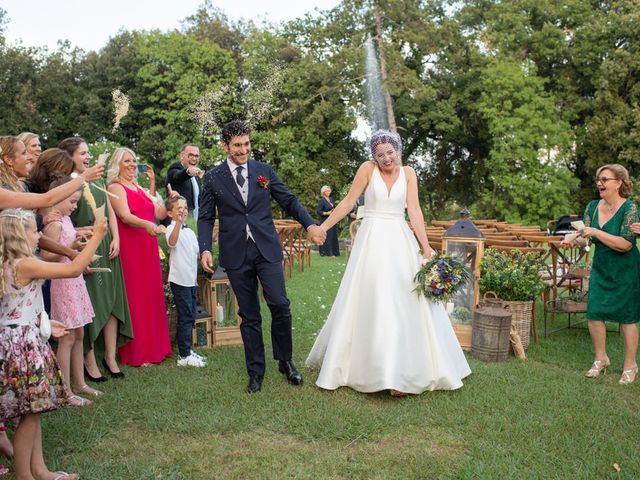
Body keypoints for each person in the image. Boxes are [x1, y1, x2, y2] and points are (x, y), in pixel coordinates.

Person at [305, 130, 471, 396]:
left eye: (390, 152)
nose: (386, 158)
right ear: (374, 155)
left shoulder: (409, 174)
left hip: (400, 241)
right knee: (375, 299)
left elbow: (414, 211)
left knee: (405, 300)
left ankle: (401, 374)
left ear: (398, 150)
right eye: (380, 154)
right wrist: (322, 227)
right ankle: (371, 368)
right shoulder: (367, 169)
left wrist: (426, 246)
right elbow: (349, 202)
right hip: (371, 241)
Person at [198, 119, 326, 393]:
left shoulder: (263, 171)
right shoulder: (213, 177)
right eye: (237, 145)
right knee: (249, 314)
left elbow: (288, 200)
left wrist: (310, 224)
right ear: (225, 146)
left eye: (246, 144)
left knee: (280, 305)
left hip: (267, 249)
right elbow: (206, 217)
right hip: (235, 253)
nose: (243, 150)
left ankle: (285, 361)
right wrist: (205, 248)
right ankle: (255, 372)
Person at [0, 208, 107, 480]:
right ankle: (26, 476)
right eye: (34, 231)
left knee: (32, 412)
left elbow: (15, 308)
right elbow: (72, 269)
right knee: (30, 414)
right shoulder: (24, 264)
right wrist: (97, 235)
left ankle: (39, 470)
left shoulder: (10, 264)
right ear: (18, 236)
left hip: (20, 338)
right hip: (23, 347)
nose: (39, 235)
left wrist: (44, 325)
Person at [60, 137, 133, 381]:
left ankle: (110, 357)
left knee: (112, 301)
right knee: (90, 304)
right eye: (82, 153)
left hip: (108, 243)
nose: (88, 156)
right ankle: (88, 358)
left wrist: (117, 239)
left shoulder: (99, 179)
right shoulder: (67, 184)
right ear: (69, 156)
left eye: (88, 152)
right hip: (85, 246)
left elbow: (110, 211)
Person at [566, 164, 640, 384]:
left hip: (625, 268)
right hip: (601, 267)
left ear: (619, 183)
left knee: (627, 317)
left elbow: (626, 244)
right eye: (598, 179)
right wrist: (576, 240)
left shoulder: (630, 209)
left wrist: (595, 231)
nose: (599, 183)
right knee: (595, 313)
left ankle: (630, 365)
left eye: (605, 179)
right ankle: (601, 358)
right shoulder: (592, 206)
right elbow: (586, 239)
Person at [108, 148, 173, 366]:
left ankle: (157, 348)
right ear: (117, 164)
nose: (132, 164)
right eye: (127, 161)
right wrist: (147, 225)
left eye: (134, 160)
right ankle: (138, 352)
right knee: (136, 296)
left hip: (148, 247)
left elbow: (158, 214)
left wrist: (170, 203)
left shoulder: (138, 188)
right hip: (131, 248)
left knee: (152, 294)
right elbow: (125, 217)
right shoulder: (115, 188)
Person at [41, 177, 100, 405]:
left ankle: (80, 383)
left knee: (79, 334)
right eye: (72, 201)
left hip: (75, 281)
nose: (75, 206)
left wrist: (79, 242)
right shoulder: (54, 224)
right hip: (62, 282)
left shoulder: (64, 220)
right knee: (66, 336)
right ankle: (64, 390)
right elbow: (46, 256)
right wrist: (71, 249)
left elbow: (69, 241)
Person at [165, 195, 206, 367]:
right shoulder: (171, 228)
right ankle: (184, 356)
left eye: (184, 206)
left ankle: (188, 350)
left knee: (190, 315)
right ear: (170, 213)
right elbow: (172, 243)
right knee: (185, 316)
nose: (182, 210)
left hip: (190, 280)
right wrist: (179, 224)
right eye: (178, 208)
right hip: (179, 280)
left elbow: (196, 254)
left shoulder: (189, 231)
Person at [167, 143, 203, 218]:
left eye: (196, 156)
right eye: (190, 155)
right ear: (182, 156)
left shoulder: (197, 176)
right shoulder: (175, 168)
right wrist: (188, 171)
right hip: (179, 219)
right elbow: (177, 176)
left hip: (196, 220)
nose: (194, 159)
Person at [316, 185, 340, 257]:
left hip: (332, 220)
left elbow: (334, 208)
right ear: (323, 192)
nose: (329, 192)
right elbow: (318, 211)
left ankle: (334, 251)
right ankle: (327, 252)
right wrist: (326, 213)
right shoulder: (322, 200)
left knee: (332, 235)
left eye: (329, 191)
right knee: (327, 236)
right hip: (325, 220)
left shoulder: (331, 199)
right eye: (327, 191)